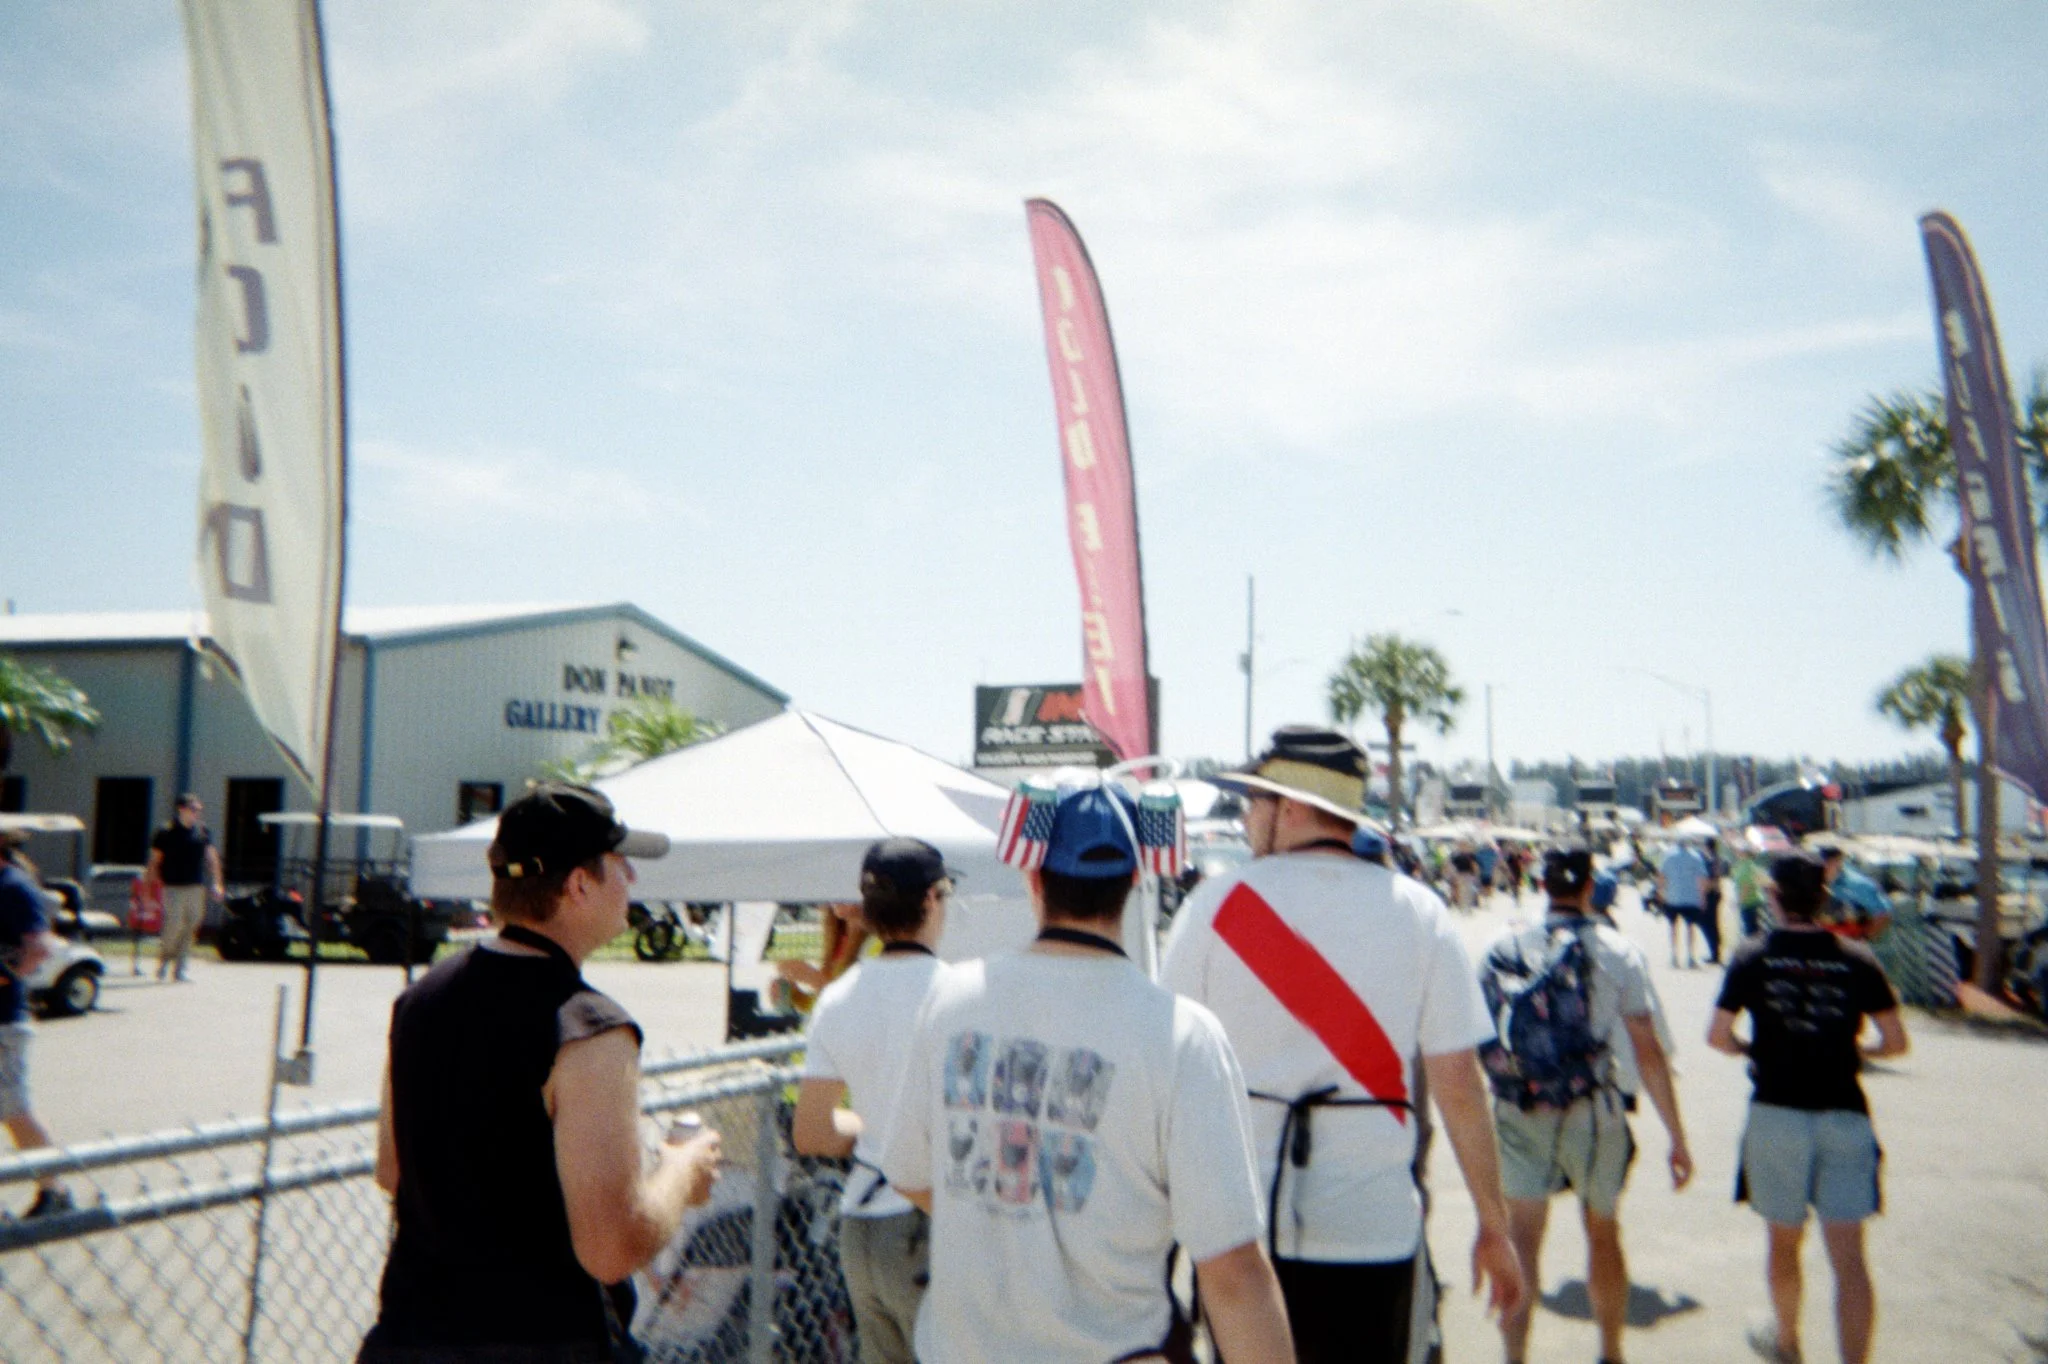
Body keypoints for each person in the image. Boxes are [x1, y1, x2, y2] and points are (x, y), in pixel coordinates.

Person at [880, 782, 1294, 1364]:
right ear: (1134, 881)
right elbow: (1232, 1272)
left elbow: (907, 1170)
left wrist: (1013, 1221)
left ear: (1034, 879)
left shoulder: (951, 1001)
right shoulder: (1180, 1035)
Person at [1161, 727, 1524, 1364]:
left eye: (1255, 802)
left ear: (1291, 807)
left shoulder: (1215, 904)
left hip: (1244, 1239)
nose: (1247, 818)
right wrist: (1493, 1224)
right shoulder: (1419, 911)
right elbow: (1460, 1086)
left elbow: (1168, 1073)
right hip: (1375, 1229)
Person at [360, 782, 723, 1362]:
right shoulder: (591, 1028)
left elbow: (391, 1169)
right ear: (580, 884)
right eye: (619, 864)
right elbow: (611, 1247)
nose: (632, 877)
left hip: (410, 1337)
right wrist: (682, 1170)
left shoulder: (419, 1000)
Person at [1481, 849, 1693, 1364]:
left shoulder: (1504, 946)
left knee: (1523, 1243)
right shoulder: (1620, 951)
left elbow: (1479, 1038)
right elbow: (1648, 1049)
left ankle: (1515, 1357)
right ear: (1590, 887)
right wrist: (1677, 1136)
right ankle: (1611, 1352)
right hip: (1594, 1113)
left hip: (1521, 1109)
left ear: (1540, 883)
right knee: (1602, 1231)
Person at [1708, 852, 1908, 1364]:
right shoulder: (1858, 958)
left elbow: (1717, 1036)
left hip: (1775, 1111)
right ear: (1824, 898)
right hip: (1844, 1111)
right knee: (1849, 1259)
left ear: (1773, 896)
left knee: (1783, 1244)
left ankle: (1789, 1342)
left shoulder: (1753, 955)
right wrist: (1856, 1050)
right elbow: (1896, 1042)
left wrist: (1750, 1048)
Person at [791, 838, 952, 1364]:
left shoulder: (838, 996)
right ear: (931, 900)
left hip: (860, 1224)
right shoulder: (958, 994)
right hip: (928, 1221)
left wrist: (873, 1124)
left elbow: (812, 1132)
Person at [0, 835, 73, 1218]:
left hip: (4, 1025)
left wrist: (10, 973)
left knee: (15, 1111)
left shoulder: (12, 888)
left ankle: (56, 1190)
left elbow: (41, 947)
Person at [142, 794, 223, 982]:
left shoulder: (202, 831)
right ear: (182, 809)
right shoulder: (165, 832)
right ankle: (164, 960)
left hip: (196, 887)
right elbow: (154, 862)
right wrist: (147, 892)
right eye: (193, 809)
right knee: (174, 925)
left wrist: (217, 883)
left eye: (198, 809)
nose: (197, 813)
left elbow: (212, 858)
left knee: (191, 925)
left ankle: (181, 968)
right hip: (173, 887)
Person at [1818, 847, 1893, 942]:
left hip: (1847, 944)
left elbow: (1883, 914)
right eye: (1822, 860)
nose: (1825, 865)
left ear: (1839, 860)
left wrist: (1862, 941)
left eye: (1830, 861)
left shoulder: (1859, 885)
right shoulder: (1810, 878)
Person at [1660, 836, 1710, 968]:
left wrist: (1661, 892)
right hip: (1691, 898)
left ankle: (1674, 956)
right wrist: (1703, 898)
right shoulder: (1696, 857)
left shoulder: (1668, 856)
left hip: (1673, 896)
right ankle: (1691, 957)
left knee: (1673, 927)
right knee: (1691, 928)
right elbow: (1702, 878)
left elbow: (1662, 876)